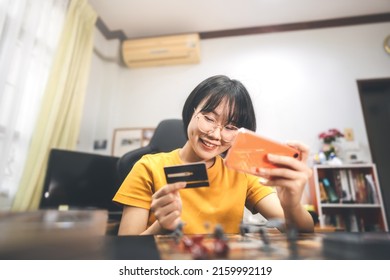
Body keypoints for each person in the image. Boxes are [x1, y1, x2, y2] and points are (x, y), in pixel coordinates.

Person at [113, 75, 314, 235]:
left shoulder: (240, 173)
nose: (216, 135)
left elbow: (302, 230)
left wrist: (291, 204)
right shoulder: (148, 167)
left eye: (231, 127)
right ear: (192, 111)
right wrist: (162, 227)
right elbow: (125, 250)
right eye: (209, 119)